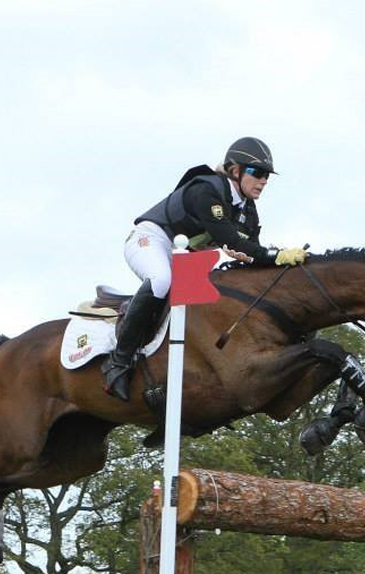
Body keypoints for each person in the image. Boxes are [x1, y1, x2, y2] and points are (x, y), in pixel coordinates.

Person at [101, 137, 307, 401]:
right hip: (151, 240)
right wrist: (277, 255)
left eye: (267, 176)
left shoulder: (248, 210)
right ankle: (119, 362)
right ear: (235, 171)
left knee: (208, 299)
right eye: (257, 173)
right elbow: (232, 242)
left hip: (184, 256)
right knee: (161, 280)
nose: (264, 181)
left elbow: (251, 255)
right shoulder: (208, 190)